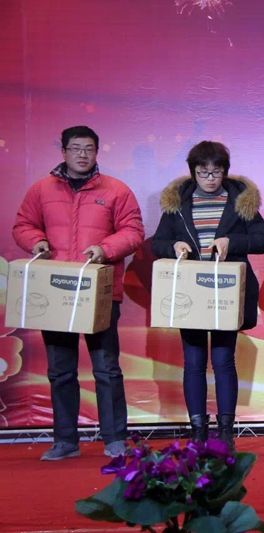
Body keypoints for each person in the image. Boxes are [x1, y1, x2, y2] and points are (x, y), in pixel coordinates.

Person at [12, 125, 144, 460]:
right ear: (64, 152)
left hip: (99, 291)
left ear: (97, 152)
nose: (82, 154)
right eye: (75, 148)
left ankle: (115, 439)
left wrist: (104, 248)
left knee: (106, 368)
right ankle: (65, 440)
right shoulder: (41, 189)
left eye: (88, 149)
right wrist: (36, 242)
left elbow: (133, 230)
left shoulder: (116, 190)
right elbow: (23, 225)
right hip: (56, 291)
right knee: (60, 370)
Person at [151, 141, 264, 450]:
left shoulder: (240, 201)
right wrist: (173, 246)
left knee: (223, 360)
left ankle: (225, 431)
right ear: (193, 172)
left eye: (216, 172)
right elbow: (157, 243)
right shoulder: (178, 202)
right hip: (191, 292)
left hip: (226, 294)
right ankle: (197, 430)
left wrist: (232, 241)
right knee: (193, 362)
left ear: (224, 172)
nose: (209, 178)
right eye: (203, 172)